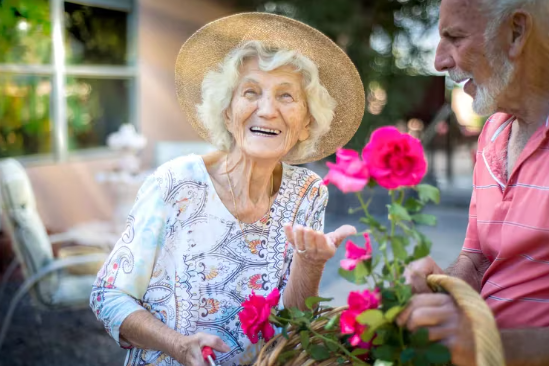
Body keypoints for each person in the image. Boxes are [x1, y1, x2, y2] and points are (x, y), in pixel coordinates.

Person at [90, 13, 365, 366]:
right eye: (251, 92)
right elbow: (107, 295)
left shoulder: (308, 193)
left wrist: (310, 264)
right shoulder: (175, 183)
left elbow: (294, 322)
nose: (267, 110)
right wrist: (177, 344)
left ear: (306, 123)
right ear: (226, 112)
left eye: (286, 96)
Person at [396, 0, 549, 365]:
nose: (439, 61)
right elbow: (478, 260)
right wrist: (441, 290)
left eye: (455, 38)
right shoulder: (494, 132)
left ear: (516, 32)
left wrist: (485, 343)